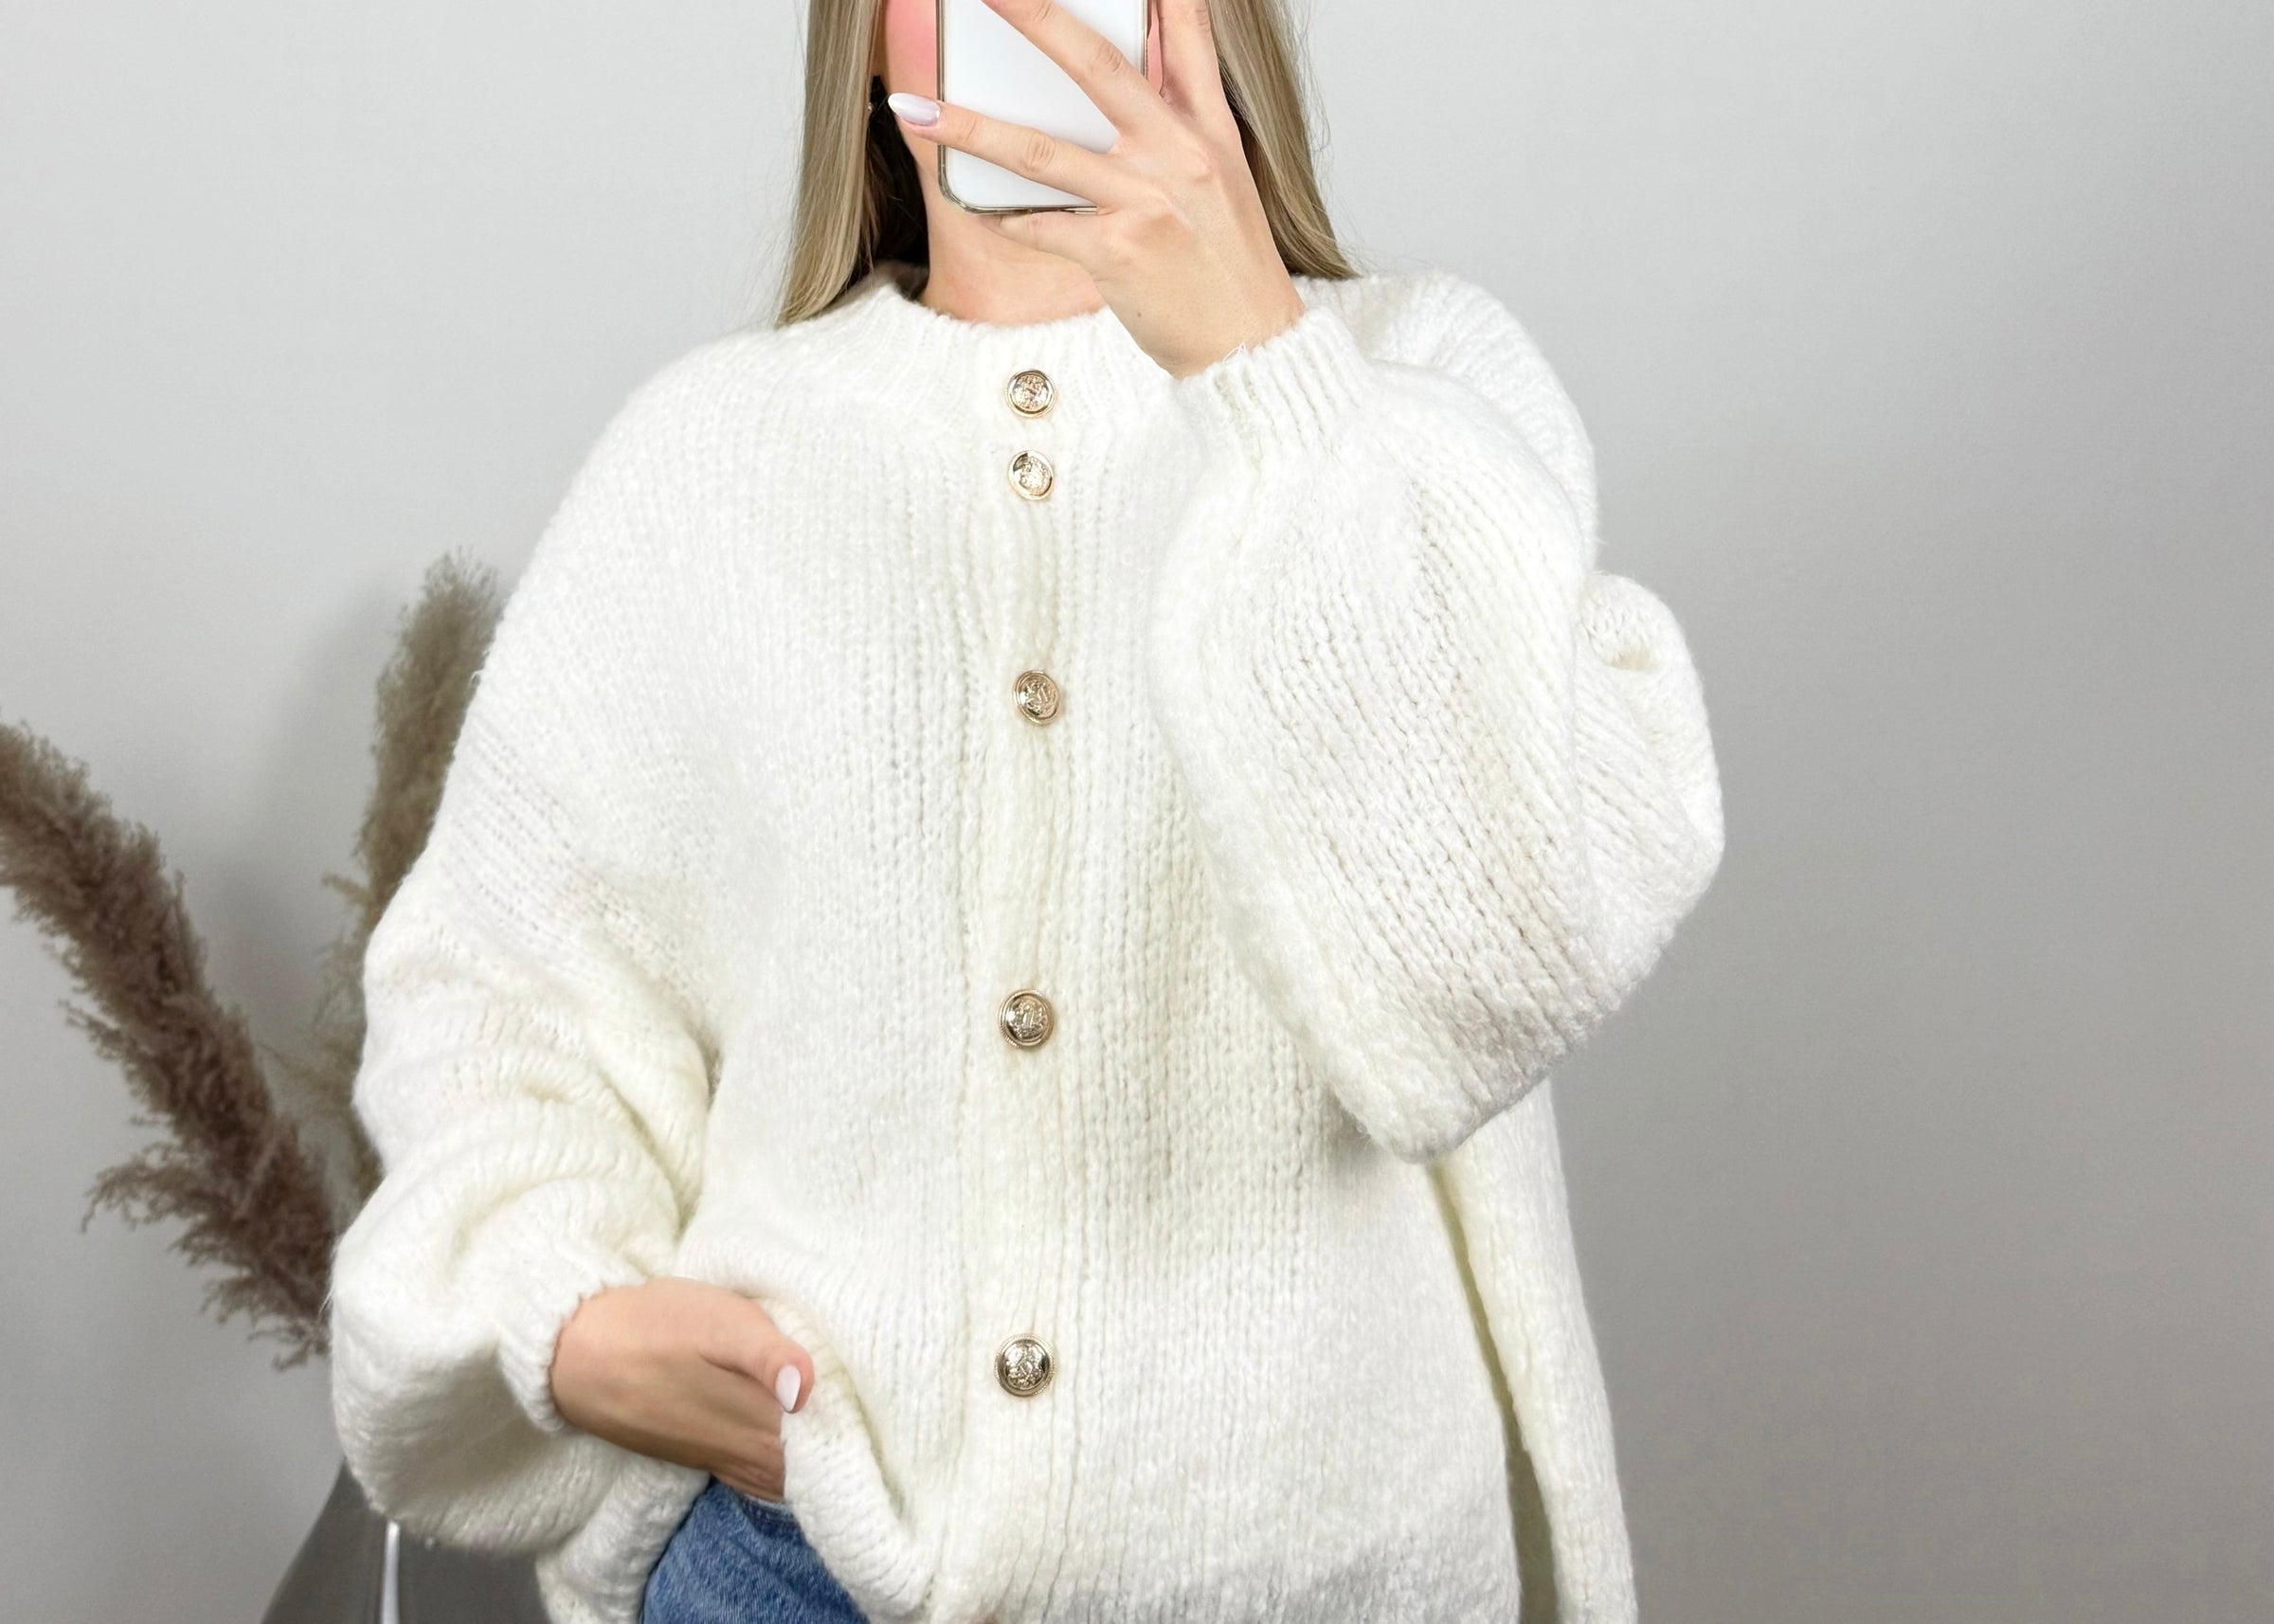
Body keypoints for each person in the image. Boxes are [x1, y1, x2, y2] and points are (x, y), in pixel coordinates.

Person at [325, 0, 1726, 1620]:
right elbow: (499, 991)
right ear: (868, 36)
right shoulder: (703, 458)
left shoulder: (1417, 382)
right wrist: (562, 1310)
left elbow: (1486, 965)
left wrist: (1262, 368)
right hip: (796, 1566)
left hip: (1329, 1576)